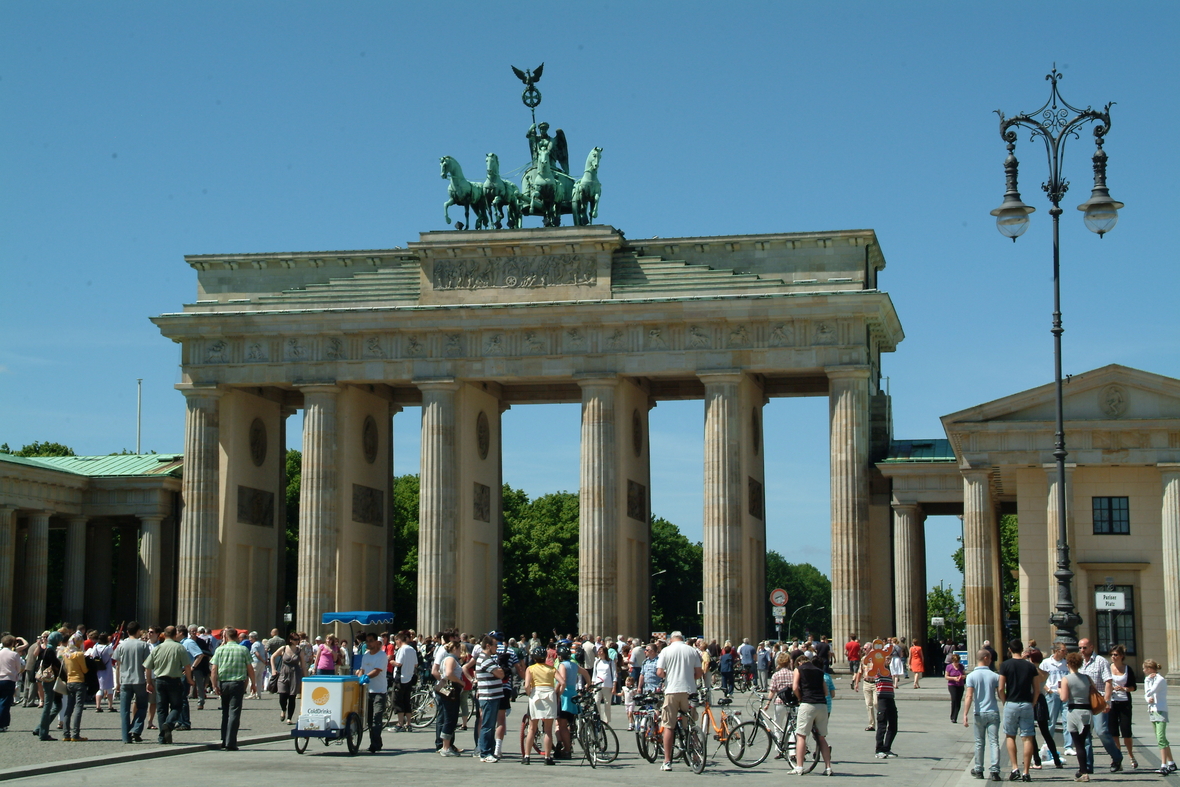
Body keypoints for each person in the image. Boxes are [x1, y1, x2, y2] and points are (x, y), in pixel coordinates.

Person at [656, 631, 703, 772]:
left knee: (669, 725)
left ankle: (667, 761)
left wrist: (668, 675)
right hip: (689, 691)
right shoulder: (692, 650)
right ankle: (695, 756)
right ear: (682, 639)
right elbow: (699, 673)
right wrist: (689, 678)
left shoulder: (666, 651)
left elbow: (659, 672)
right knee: (690, 724)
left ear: (671, 640)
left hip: (672, 690)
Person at [997, 638, 1042, 781]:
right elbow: (1036, 688)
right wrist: (1034, 701)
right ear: (1022, 649)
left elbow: (1000, 687)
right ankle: (1026, 772)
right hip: (1027, 703)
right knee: (1027, 737)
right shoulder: (1030, 666)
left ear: (1010, 650)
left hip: (1011, 702)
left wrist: (1004, 701)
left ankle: (1015, 767)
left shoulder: (1005, 665)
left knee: (1010, 735)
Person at [1078, 637, 1123, 772]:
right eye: (1080, 648)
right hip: (1083, 702)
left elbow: (1108, 682)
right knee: (1085, 735)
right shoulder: (1079, 663)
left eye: (1084, 648)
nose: (1082, 650)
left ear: (1091, 647)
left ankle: (1116, 757)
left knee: (1102, 731)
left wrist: (1107, 701)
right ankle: (1087, 766)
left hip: (1098, 701)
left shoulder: (1100, 661)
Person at [143, 626, 193, 745]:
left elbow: (148, 667)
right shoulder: (179, 648)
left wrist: (149, 682)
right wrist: (190, 679)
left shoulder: (157, 648)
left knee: (161, 709)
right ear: (175, 634)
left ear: (164, 635)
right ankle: (169, 723)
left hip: (159, 681)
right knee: (177, 706)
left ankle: (162, 737)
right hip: (174, 680)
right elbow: (187, 666)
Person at [209, 627, 252, 751]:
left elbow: (213, 669)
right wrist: (253, 683)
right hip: (237, 683)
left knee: (225, 712)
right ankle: (231, 742)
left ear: (226, 637)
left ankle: (223, 739)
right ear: (237, 637)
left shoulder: (220, 650)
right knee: (234, 712)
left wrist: (214, 685)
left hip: (224, 683)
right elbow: (249, 668)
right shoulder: (243, 649)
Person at [963, 648, 1002, 780]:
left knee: (979, 742)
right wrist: (1005, 703)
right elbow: (1001, 692)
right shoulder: (995, 676)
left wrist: (965, 714)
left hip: (979, 712)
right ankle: (995, 770)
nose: (991, 660)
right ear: (986, 658)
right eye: (990, 658)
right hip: (993, 711)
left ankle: (979, 769)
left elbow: (969, 696)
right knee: (994, 741)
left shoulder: (971, 676)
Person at [793, 654, 834, 775]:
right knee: (821, 737)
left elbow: (795, 687)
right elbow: (826, 691)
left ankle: (799, 766)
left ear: (799, 663)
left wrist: (800, 697)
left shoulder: (799, 669)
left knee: (801, 735)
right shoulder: (819, 671)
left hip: (808, 703)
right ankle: (828, 767)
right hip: (822, 705)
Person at [1059, 651, 1096, 782]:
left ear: (1068, 663)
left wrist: (1059, 690)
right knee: (1084, 741)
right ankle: (1082, 770)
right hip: (1087, 712)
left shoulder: (1066, 679)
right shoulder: (1087, 678)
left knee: (1078, 744)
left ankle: (1084, 772)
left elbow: (1064, 698)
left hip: (1074, 712)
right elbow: (1093, 691)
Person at [113, 621, 151, 744]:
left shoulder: (121, 646)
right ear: (138, 631)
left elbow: (118, 666)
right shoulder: (143, 645)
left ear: (127, 632)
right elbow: (148, 666)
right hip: (139, 679)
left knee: (124, 710)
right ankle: (135, 728)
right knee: (142, 706)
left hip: (125, 680)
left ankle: (125, 737)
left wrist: (117, 683)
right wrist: (149, 681)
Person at [1027, 648, 1062, 769]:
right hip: (1041, 700)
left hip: (1031, 699)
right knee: (1045, 732)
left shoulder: (1030, 672)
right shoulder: (1044, 673)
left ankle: (1036, 760)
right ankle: (1056, 760)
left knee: (1030, 731)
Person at [523, 646, 557, 764]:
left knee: (532, 728)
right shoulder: (551, 669)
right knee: (548, 730)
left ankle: (527, 757)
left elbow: (527, 685)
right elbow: (562, 682)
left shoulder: (530, 669)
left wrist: (529, 693)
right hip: (549, 694)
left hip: (536, 694)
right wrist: (557, 692)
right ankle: (547, 757)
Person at [473, 635, 505, 762]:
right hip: (489, 696)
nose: (496, 648)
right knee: (488, 725)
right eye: (495, 645)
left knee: (490, 724)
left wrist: (498, 671)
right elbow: (500, 674)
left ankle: (488, 751)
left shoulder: (487, 658)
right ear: (488, 646)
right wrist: (499, 671)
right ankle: (485, 753)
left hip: (492, 695)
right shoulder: (485, 659)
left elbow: (499, 673)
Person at [556, 644, 591, 759]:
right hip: (573, 694)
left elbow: (563, 680)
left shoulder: (562, 665)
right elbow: (585, 672)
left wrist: (557, 692)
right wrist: (588, 684)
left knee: (562, 725)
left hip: (564, 695)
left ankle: (567, 749)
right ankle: (568, 745)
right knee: (569, 723)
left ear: (560, 656)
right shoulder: (574, 665)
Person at [1141, 658, 1175, 775]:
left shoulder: (1160, 679)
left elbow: (1152, 691)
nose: (1144, 671)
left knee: (1160, 738)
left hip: (1160, 710)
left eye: (1145, 669)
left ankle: (1163, 765)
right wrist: (1147, 697)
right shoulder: (1148, 679)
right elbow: (1146, 694)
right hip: (1152, 710)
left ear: (1150, 669)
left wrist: (1148, 690)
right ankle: (1171, 762)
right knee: (1161, 738)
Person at [356, 632, 388, 754]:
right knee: (369, 719)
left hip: (379, 690)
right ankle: (376, 742)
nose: (368, 643)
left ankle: (375, 744)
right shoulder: (366, 655)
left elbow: (377, 671)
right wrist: (358, 678)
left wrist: (365, 677)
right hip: (367, 690)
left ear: (376, 642)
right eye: (367, 641)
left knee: (376, 717)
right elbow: (362, 669)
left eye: (370, 641)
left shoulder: (382, 655)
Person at [1107, 644, 1138, 768]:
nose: (1113, 657)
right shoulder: (1108, 668)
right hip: (1112, 702)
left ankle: (1131, 755)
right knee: (1114, 732)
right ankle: (1117, 758)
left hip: (1124, 702)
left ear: (1122, 656)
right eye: (1112, 655)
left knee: (1126, 731)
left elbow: (1133, 687)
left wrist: (1124, 688)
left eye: (1116, 655)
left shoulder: (1127, 669)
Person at [1039, 643, 1070, 756]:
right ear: (1057, 651)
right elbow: (1039, 676)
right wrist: (1047, 689)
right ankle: (1047, 742)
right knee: (1051, 720)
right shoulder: (1047, 663)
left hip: (1065, 693)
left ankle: (1068, 746)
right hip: (1052, 693)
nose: (1065, 652)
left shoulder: (1066, 663)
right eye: (1063, 650)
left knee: (1067, 721)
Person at [435, 640, 464, 757]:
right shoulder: (450, 659)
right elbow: (449, 674)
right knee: (450, 718)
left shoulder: (448, 659)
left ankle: (446, 745)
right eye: (459, 650)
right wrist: (460, 681)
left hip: (447, 691)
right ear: (454, 649)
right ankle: (445, 747)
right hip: (450, 691)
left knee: (450, 717)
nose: (460, 652)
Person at [61, 633, 89, 741]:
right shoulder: (79, 654)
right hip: (79, 681)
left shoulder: (65, 654)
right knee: (78, 708)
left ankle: (66, 733)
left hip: (69, 682)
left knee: (69, 708)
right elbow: (84, 670)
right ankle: (75, 734)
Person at [272, 632, 304, 724]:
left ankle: (289, 718)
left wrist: (305, 677)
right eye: (295, 639)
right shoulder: (284, 648)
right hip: (283, 673)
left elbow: (303, 666)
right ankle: (283, 709)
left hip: (295, 674)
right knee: (282, 695)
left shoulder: (299, 650)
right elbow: (273, 657)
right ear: (290, 640)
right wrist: (274, 669)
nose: (297, 641)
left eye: (298, 639)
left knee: (292, 697)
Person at [390, 631, 418, 731]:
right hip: (409, 677)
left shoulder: (402, 650)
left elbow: (399, 663)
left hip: (400, 678)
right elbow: (415, 664)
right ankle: (408, 723)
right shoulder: (412, 649)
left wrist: (392, 662)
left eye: (396, 641)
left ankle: (400, 724)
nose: (395, 643)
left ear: (399, 640)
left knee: (397, 700)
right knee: (407, 701)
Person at [873, 659, 898, 759]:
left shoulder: (888, 670)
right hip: (882, 698)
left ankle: (886, 748)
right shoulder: (878, 670)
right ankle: (879, 749)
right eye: (887, 659)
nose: (889, 661)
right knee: (882, 724)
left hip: (890, 698)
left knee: (893, 724)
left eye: (889, 659)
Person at [0, 635, 22, 732]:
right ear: (12, 643)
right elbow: (19, 668)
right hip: (9, 679)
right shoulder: (14, 654)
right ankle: (2, 724)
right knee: (5, 702)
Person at [851, 653, 877, 731]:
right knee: (869, 704)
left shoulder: (877, 658)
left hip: (876, 683)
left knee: (876, 703)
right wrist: (856, 683)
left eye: (866, 649)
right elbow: (860, 671)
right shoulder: (863, 659)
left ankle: (883, 722)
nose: (864, 650)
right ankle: (871, 724)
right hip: (866, 683)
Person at [593, 645, 616, 724]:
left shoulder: (610, 662)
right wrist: (593, 683)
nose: (599, 653)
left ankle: (606, 720)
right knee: (596, 701)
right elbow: (594, 673)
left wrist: (614, 686)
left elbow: (614, 674)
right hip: (598, 684)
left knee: (607, 703)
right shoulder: (597, 661)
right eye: (598, 651)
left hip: (607, 684)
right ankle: (597, 719)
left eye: (601, 651)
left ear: (605, 653)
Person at [946, 653, 966, 724]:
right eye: (955, 662)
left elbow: (964, 675)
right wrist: (954, 678)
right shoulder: (949, 667)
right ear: (953, 661)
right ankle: (952, 716)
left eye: (957, 661)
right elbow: (946, 677)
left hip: (960, 685)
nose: (956, 663)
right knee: (954, 699)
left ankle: (955, 716)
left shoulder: (961, 666)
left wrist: (962, 677)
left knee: (958, 701)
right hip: (952, 685)